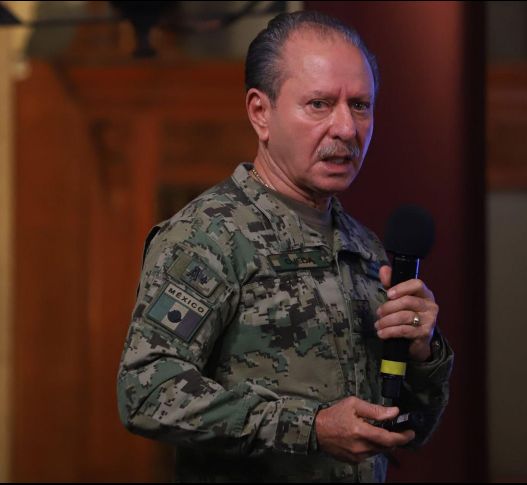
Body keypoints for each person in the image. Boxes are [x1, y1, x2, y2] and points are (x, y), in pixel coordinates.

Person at [116, 10, 453, 483]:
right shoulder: (209, 235)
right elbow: (145, 392)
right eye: (319, 104)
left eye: (360, 105)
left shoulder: (366, 248)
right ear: (261, 113)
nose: (346, 128)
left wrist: (423, 353)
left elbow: (410, 429)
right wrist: (310, 427)